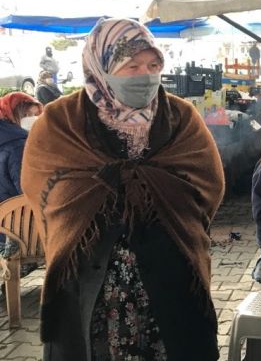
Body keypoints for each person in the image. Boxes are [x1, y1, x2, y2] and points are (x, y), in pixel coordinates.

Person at [21, 18, 225, 361]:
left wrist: (161, 202)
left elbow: (207, 186)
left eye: (153, 65)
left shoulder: (181, 117)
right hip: (87, 282)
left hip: (171, 277)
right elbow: (44, 190)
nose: (145, 75)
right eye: (132, 66)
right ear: (101, 67)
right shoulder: (60, 121)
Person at [0, 92, 42, 258]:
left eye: (34, 115)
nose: (32, 119)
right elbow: (29, 190)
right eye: (27, 115)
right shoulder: (18, 146)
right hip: (17, 236)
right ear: (13, 114)